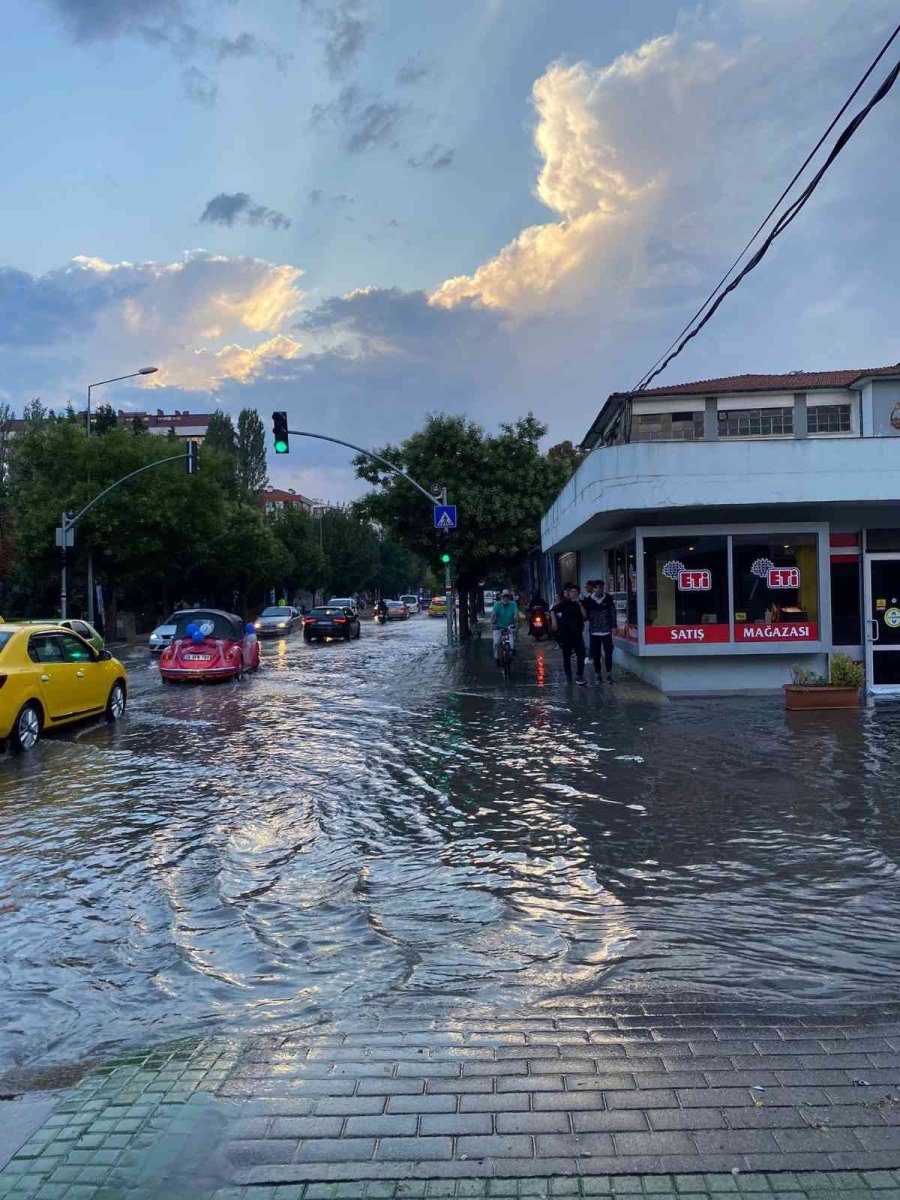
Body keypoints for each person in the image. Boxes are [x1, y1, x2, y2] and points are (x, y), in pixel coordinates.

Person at [552, 583, 587, 684]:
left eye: (576, 592)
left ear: (578, 593)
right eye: (572, 592)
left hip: (577, 633)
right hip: (566, 633)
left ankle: (580, 675)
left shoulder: (582, 603)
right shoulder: (565, 603)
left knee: (581, 655)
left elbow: (584, 616)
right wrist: (554, 622)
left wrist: (579, 604)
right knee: (566, 656)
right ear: (569, 593)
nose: (574, 594)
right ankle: (568, 676)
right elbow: (553, 610)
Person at [584, 578, 617, 683]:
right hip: (594, 631)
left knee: (608, 653)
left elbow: (613, 613)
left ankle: (608, 673)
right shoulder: (589, 601)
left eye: (600, 587)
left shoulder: (608, 598)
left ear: (603, 588)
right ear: (593, 589)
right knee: (596, 654)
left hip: (606, 631)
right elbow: (586, 615)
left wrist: (614, 626)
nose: (598, 589)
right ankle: (598, 673)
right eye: (596, 588)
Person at [491, 588, 519, 665]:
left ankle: (513, 650)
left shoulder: (513, 604)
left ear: (509, 597)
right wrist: (493, 624)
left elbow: (516, 614)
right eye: (504, 596)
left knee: (513, 641)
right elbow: (493, 615)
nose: (505, 598)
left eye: (507, 597)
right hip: (498, 626)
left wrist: (517, 620)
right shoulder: (497, 605)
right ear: (501, 597)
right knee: (496, 642)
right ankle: (496, 658)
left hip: (510, 626)